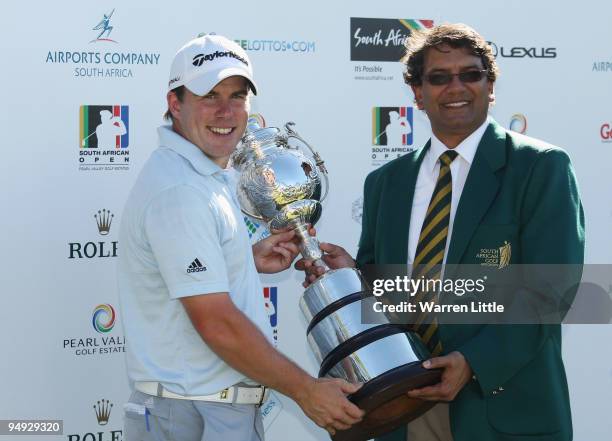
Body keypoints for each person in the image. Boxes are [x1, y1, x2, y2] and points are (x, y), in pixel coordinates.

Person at [297, 23, 584, 441]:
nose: (457, 87)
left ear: (491, 87)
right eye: (439, 77)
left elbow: (550, 290)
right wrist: (354, 276)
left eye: (471, 74)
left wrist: (472, 361)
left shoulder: (541, 167)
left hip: (501, 405)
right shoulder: (386, 182)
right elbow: (389, 290)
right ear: (417, 92)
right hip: (403, 404)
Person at [117, 34, 363, 441]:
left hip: (205, 407)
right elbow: (217, 324)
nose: (226, 111)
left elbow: (187, 284)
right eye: (209, 96)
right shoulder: (181, 191)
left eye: (237, 96)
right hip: (193, 414)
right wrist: (306, 391)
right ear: (175, 104)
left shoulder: (204, 175)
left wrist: (242, 261)